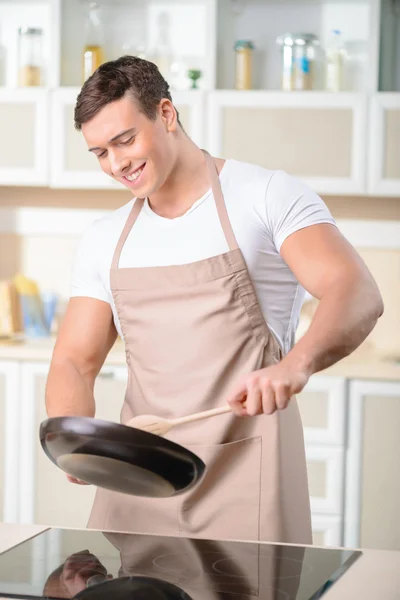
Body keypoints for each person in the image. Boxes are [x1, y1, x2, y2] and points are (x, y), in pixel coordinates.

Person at [45, 55, 383, 544]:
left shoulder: (265, 195)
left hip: (247, 479)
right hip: (139, 478)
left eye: (125, 140)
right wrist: (75, 441)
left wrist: (295, 366)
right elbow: (74, 361)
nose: (117, 164)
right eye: (100, 152)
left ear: (166, 114)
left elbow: (356, 291)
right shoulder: (105, 237)